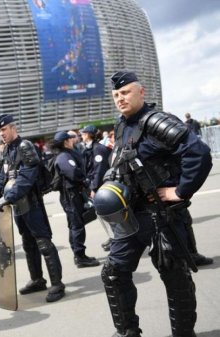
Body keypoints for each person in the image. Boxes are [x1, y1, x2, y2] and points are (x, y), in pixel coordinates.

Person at [97, 71, 212, 337]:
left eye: (125, 92)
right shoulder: (121, 125)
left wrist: (181, 191)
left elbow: (199, 153)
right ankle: (128, 331)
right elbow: (120, 161)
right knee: (113, 273)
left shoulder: (156, 121)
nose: (120, 99)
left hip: (162, 215)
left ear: (141, 92)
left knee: (175, 278)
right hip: (132, 215)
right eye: (116, 95)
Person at [0, 114, 65, 302]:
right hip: (18, 207)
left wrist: (6, 198)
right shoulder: (6, 151)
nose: (1, 133)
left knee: (43, 243)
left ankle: (57, 284)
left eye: (3, 129)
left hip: (32, 203)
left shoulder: (24, 147)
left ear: (13, 128)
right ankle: (37, 279)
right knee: (28, 244)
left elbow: (27, 178)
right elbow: (2, 179)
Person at [49, 131, 100, 268]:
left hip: (72, 194)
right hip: (70, 195)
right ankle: (80, 256)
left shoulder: (66, 154)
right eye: (70, 138)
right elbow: (72, 173)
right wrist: (85, 179)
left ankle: (78, 254)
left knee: (75, 225)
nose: (73, 140)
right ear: (66, 142)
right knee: (77, 225)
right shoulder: (64, 156)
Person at [80, 125, 112, 252]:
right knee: (103, 214)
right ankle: (113, 237)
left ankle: (115, 238)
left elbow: (99, 170)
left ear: (88, 135)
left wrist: (94, 188)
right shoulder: (90, 148)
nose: (81, 136)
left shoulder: (98, 149)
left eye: (83, 133)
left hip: (102, 187)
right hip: (96, 186)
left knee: (108, 214)